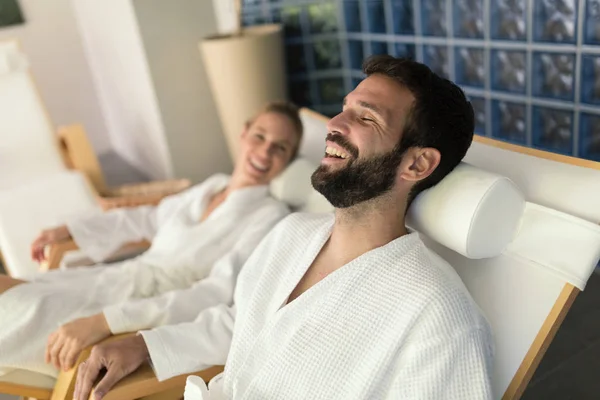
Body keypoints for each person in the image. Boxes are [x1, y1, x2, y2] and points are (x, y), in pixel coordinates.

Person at [74, 55, 493, 400]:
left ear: (418, 163)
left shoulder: (437, 315)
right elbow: (244, 324)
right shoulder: (292, 234)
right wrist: (145, 344)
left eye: (365, 119)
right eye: (344, 108)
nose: (335, 124)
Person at [0, 101, 303, 378]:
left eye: (280, 148)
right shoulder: (213, 186)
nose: (265, 153)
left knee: (23, 309)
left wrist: (106, 321)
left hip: (137, 311)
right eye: (260, 137)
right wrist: (73, 229)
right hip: (110, 279)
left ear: (289, 160)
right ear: (243, 133)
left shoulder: (268, 217)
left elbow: (215, 293)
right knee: (9, 287)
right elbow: (149, 218)